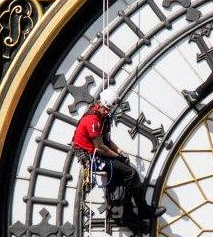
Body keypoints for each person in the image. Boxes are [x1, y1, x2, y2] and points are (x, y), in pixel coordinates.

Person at [71, 89, 165, 228]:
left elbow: (106, 141)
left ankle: (128, 215)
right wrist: (117, 156)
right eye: (107, 109)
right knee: (131, 173)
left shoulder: (101, 117)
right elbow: (100, 146)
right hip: (93, 158)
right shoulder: (93, 120)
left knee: (126, 177)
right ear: (102, 105)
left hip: (97, 153)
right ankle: (143, 209)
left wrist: (120, 151)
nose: (108, 112)